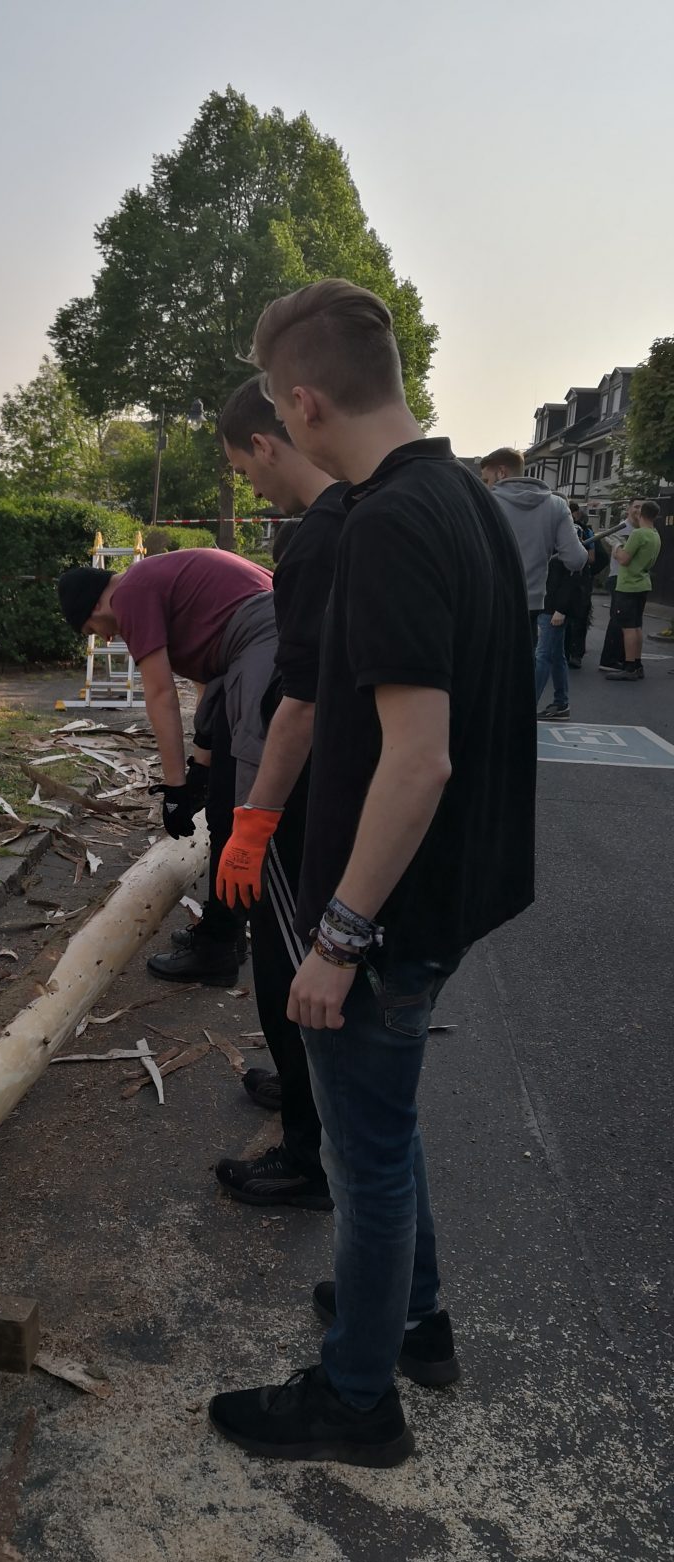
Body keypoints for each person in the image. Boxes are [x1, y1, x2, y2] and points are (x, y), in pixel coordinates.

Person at [210, 279, 535, 1467]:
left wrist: (339, 940)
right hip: (449, 896)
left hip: (391, 912)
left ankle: (357, 1400)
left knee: (364, 1153)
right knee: (383, 1135)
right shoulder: (461, 497)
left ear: (301, 402)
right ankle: (416, 1319)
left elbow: (421, 758)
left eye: (279, 419)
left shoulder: (388, 523)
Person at [208, 376, 346, 1208]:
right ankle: (302, 1101)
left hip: (300, 804)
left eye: (242, 466)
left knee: (284, 968)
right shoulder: (358, 517)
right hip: (327, 794)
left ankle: (303, 1152)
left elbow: (300, 703)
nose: (248, 484)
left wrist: (252, 820)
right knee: (286, 972)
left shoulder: (320, 539)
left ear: (269, 439)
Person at [57, 543, 275, 987]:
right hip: (256, 642)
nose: (108, 638)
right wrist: (200, 770)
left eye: (93, 629)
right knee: (222, 802)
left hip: (265, 643)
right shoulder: (158, 583)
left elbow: (159, 694)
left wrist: (175, 790)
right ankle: (228, 932)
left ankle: (218, 948)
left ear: (97, 604)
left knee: (239, 811)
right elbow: (206, 691)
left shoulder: (129, 593)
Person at [479, 448, 586, 640]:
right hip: (531, 604)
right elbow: (576, 560)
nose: (485, 487)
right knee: (524, 665)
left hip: (489, 603)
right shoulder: (557, 505)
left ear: (501, 472)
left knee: (487, 667)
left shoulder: (483, 503)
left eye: (486, 480)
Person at [604, 500, 663, 682]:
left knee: (628, 627)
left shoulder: (638, 534)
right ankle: (637, 664)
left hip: (628, 585)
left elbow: (624, 559)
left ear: (640, 514)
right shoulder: (655, 534)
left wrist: (615, 545)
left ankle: (629, 666)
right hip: (643, 583)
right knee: (636, 626)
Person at [535, 553, 584, 720]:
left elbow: (573, 577)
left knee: (543, 656)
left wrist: (561, 608)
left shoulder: (565, 541)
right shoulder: (554, 542)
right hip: (546, 606)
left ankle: (528, 704)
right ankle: (561, 703)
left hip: (552, 609)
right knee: (555, 656)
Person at [599, 501, 642, 672]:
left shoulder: (643, 530)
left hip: (634, 580)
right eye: (636, 506)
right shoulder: (622, 529)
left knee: (630, 622)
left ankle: (625, 657)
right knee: (618, 619)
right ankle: (609, 660)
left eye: (642, 507)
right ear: (628, 509)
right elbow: (620, 555)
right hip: (618, 577)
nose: (639, 510)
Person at [563, 503, 600, 668]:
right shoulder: (557, 528)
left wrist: (579, 546)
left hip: (581, 579)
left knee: (579, 616)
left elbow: (591, 558)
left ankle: (576, 654)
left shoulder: (585, 531)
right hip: (561, 578)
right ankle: (562, 652)